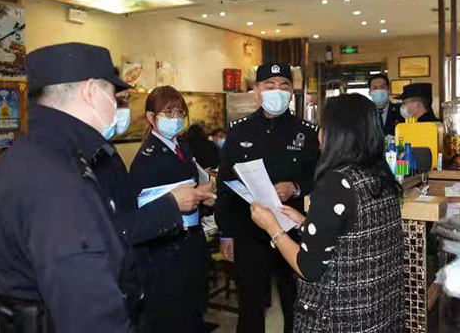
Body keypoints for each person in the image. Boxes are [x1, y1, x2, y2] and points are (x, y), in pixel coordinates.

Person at [0, 43, 155, 333]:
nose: (116, 106)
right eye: (113, 95)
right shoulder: (57, 179)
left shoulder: (27, 155)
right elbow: (90, 315)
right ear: (91, 91)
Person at [250, 93, 405, 333]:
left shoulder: (335, 183)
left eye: (323, 127)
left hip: (338, 319)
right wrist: (305, 223)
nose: (318, 135)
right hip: (377, 314)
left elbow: (308, 268)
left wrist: (273, 227)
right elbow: (353, 236)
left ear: (339, 134)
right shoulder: (380, 176)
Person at [215, 63, 320, 333]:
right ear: (257, 92)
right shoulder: (239, 131)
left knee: (295, 302)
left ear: (292, 92)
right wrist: (226, 232)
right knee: (250, 304)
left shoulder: (307, 132)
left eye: (284, 85)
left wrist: (295, 187)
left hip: (290, 232)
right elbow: (225, 184)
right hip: (249, 231)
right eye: (269, 85)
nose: (277, 91)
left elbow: (319, 176)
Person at [129, 86, 215, 333]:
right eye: (168, 112)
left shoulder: (183, 148)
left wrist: (203, 197)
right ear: (151, 117)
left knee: (194, 313)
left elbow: (188, 189)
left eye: (180, 112)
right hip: (167, 251)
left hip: (192, 243)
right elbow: (141, 213)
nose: (175, 118)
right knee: (173, 318)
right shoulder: (147, 158)